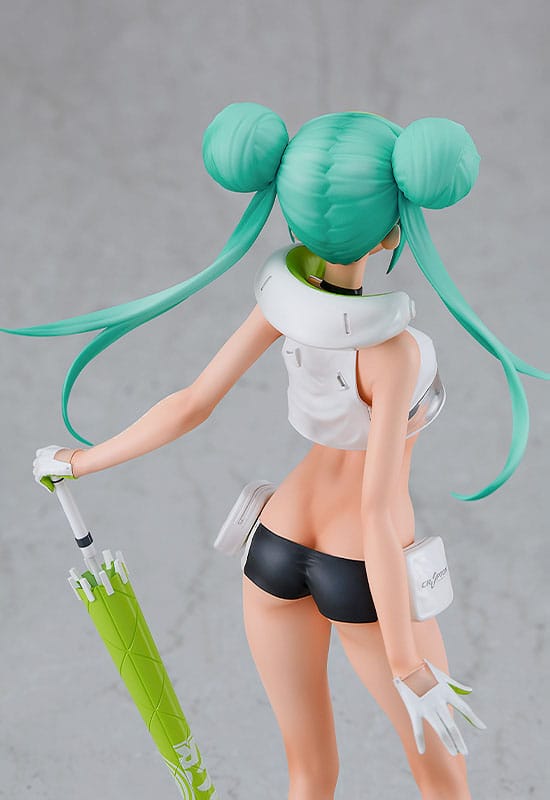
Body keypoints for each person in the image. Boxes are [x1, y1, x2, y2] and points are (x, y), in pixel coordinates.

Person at [5, 103, 549, 799]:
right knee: (443, 778)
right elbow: (376, 511)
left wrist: (77, 461)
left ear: (291, 218)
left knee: (308, 772)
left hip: (274, 544)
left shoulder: (279, 305)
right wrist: (407, 664)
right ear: (395, 229)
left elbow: (190, 404)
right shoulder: (396, 353)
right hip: (362, 565)